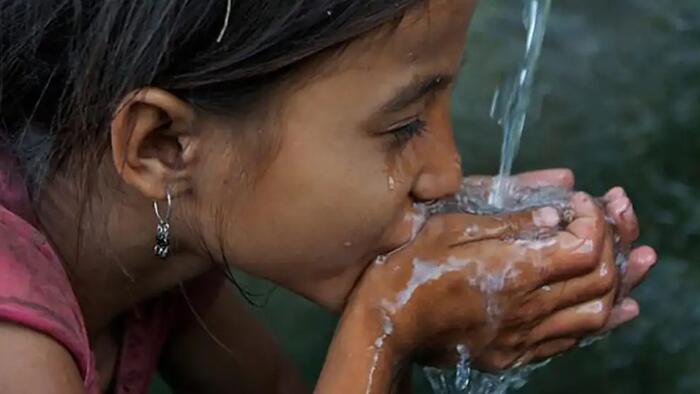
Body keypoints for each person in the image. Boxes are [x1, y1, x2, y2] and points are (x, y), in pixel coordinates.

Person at [0, 0, 657, 393]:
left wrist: (427, 299)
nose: (447, 176)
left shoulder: (149, 252)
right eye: (403, 127)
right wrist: (388, 322)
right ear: (164, 146)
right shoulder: (16, 357)